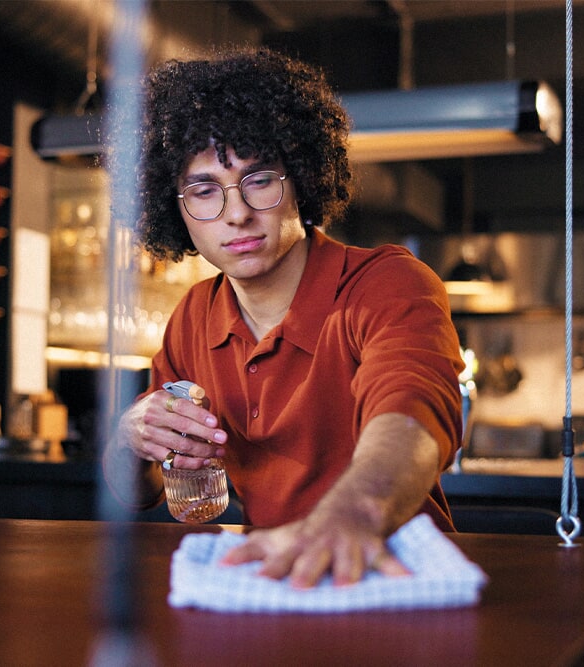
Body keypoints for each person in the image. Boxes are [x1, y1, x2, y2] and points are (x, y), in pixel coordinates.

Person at [107, 47, 464, 589]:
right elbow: (135, 493)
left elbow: (411, 417)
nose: (236, 213)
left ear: (300, 178)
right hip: (278, 582)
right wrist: (129, 441)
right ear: (174, 208)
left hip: (395, 581)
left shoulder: (387, 285)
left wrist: (352, 517)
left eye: (259, 180)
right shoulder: (193, 317)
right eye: (204, 191)